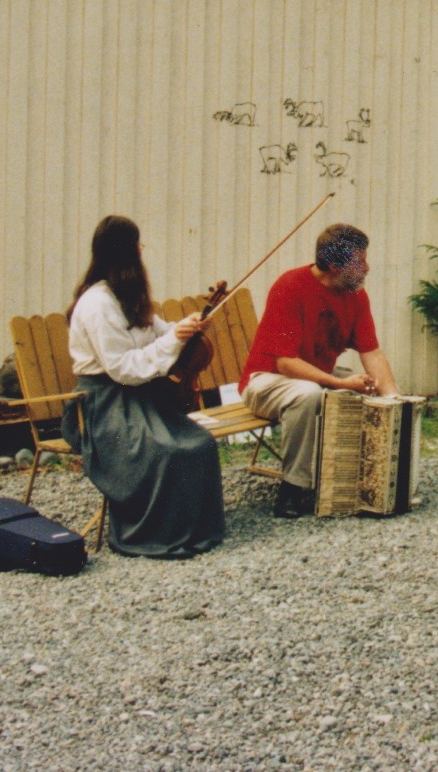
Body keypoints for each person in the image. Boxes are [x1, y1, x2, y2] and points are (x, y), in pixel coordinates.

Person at [64, 215, 226, 557]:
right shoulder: (97, 304)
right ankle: (156, 535)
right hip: (103, 405)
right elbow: (121, 367)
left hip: (137, 399)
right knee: (164, 451)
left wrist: (184, 328)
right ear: (127, 252)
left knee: (200, 444)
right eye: (137, 244)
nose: (141, 250)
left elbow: (156, 331)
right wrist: (172, 343)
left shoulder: (126, 296)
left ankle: (192, 531)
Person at [240, 223, 399, 516]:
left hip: (313, 377)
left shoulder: (356, 296)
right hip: (267, 381)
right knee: (310, 394)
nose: (367, 267)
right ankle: (292, 488)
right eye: (359, 261)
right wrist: (339, 384)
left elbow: (372, 352)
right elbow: (285, 363)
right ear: (336, 266)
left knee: (368, 387)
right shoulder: (290, 287)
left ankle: (365, 483)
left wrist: (392, 400)